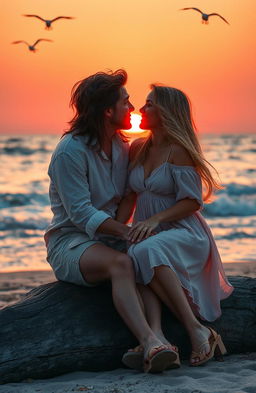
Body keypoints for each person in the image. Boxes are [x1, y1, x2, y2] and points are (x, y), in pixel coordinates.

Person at [44, 70, 180, 373]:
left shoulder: (121, 146)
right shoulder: (70, 152)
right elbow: (81, 214)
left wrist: (127, 235)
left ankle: (156, 336)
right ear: (108, 111)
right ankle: (150, 341)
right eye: (125, 102)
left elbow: (127, 196)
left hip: (109, 239)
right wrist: (126, 232)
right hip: (71, 242)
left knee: (140, 257)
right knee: (122, 264)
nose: (131, 109)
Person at [117, 84, 234, 368]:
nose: (142, 110)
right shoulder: (138, 147)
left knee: (144, 251)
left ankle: (196, 329)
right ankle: (155, 336)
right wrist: (112, 230)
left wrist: (155, 220)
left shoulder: (179, 151)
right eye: (144, 104)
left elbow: (193, 202)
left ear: (167, 111)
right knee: (135, 255)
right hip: (150, 233)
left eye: (149, 104)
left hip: (185, 233)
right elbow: (130, 196)